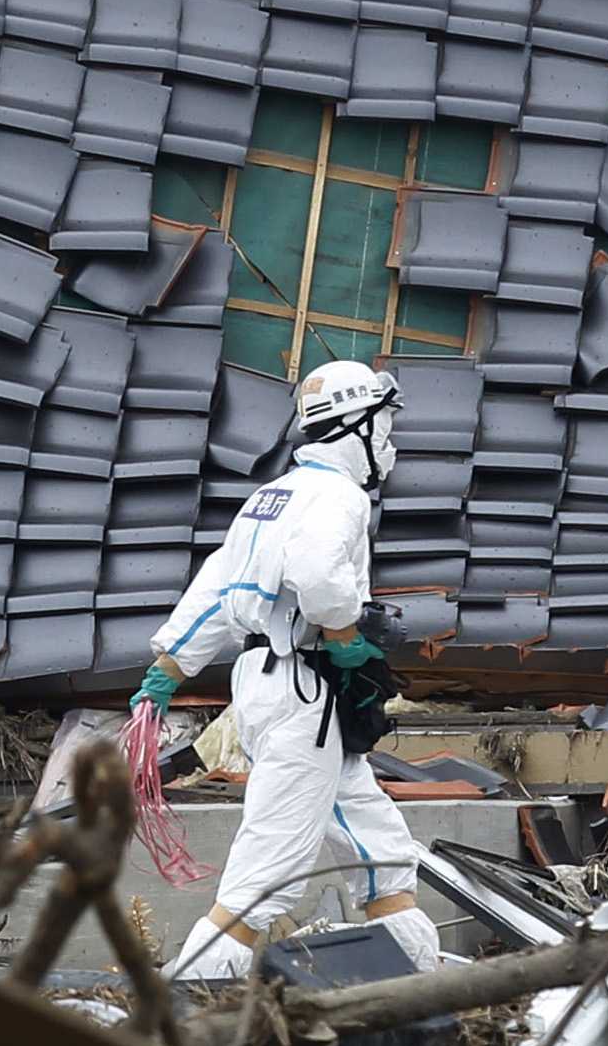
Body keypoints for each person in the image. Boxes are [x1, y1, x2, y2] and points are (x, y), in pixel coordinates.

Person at [133, 358, 440, 981]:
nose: (388, 442)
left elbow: (216, 587)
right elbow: (323, 578)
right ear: (355, 425)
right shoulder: (340, 497)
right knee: (273, 862)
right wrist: (348, 636)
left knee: (376, 845)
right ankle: (193, 993)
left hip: (269, 681)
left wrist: (169, 668)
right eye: (382, 426)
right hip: (304, 686)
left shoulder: (269, 499)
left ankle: (414, 975)